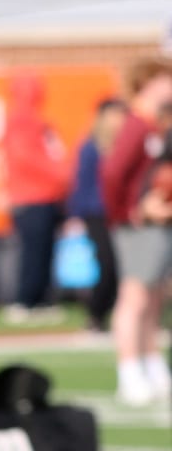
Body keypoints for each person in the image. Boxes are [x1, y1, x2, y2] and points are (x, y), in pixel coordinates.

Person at [98, 58, 172, 407]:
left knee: (154, 297)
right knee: (135, 297)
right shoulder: (137, 125)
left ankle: (152, 364)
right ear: (150, 82)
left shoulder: (156, 126)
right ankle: (129, 372)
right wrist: (130, 212)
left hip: (158, 222)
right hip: (137, 225)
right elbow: (114, 174)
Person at [2, 73, 72, 324]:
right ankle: (24, 300)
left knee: (46, 252)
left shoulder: (40, 123)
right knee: (32, 252)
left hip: (49, 197)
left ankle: (42, 300)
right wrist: (61, 174)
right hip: (30, 198)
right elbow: (26, 158)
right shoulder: (20, 122)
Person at [69, 98, 126, 331]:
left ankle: (116, 315)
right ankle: (96, 314)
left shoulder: (125, 144)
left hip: (120, 214)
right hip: (96, 213)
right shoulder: (91, 146)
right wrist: (75, 215)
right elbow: (82, 183)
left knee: (123, 268)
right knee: (107, 263)